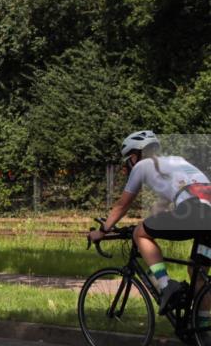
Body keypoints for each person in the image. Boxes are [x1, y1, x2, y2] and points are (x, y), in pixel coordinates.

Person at [89, 131, 211, 334]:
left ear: (134, 155)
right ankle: (201, 335)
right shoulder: (176, 162)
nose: (129, 165)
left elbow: (122, 205)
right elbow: (163, 204)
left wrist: (102, 231)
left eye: (128, 161)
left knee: (140, 234)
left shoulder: (142, 166)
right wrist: (150, 218)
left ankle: (165, 285)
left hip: (195, 211)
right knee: (198, 274)